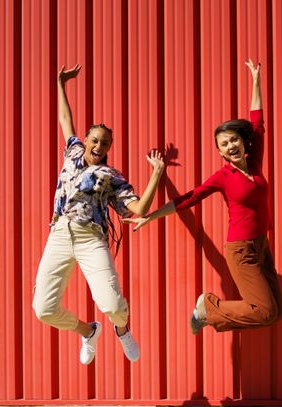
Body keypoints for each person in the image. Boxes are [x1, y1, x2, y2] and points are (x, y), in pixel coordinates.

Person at [125, 60, 282, 334]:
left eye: (234, 140)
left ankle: (209, 312)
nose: (231, 145)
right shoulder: (222, 177)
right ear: (220, 152)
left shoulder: (254, 164)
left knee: (274, 312)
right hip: (241, 249)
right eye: (224, 144)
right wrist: (149, 216)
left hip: (261, 245)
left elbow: (258, 124)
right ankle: (207, 307)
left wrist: (256, 80)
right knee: (265, 310)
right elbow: (189, 199)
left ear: (243, 142)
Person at [32, 64, 165, 364]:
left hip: (91, 238)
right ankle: (88, 331)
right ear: (86, 140)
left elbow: (139, 208)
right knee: (43, 308)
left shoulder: (110, 176)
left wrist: (156, 175)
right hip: (59, 235)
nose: (98, 145)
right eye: (95, 139)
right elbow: (66, 119)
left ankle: (122, 329)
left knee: (113, 304)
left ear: (108, 148)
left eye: (104, 142)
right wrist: (60, 85)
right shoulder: (73, 153)